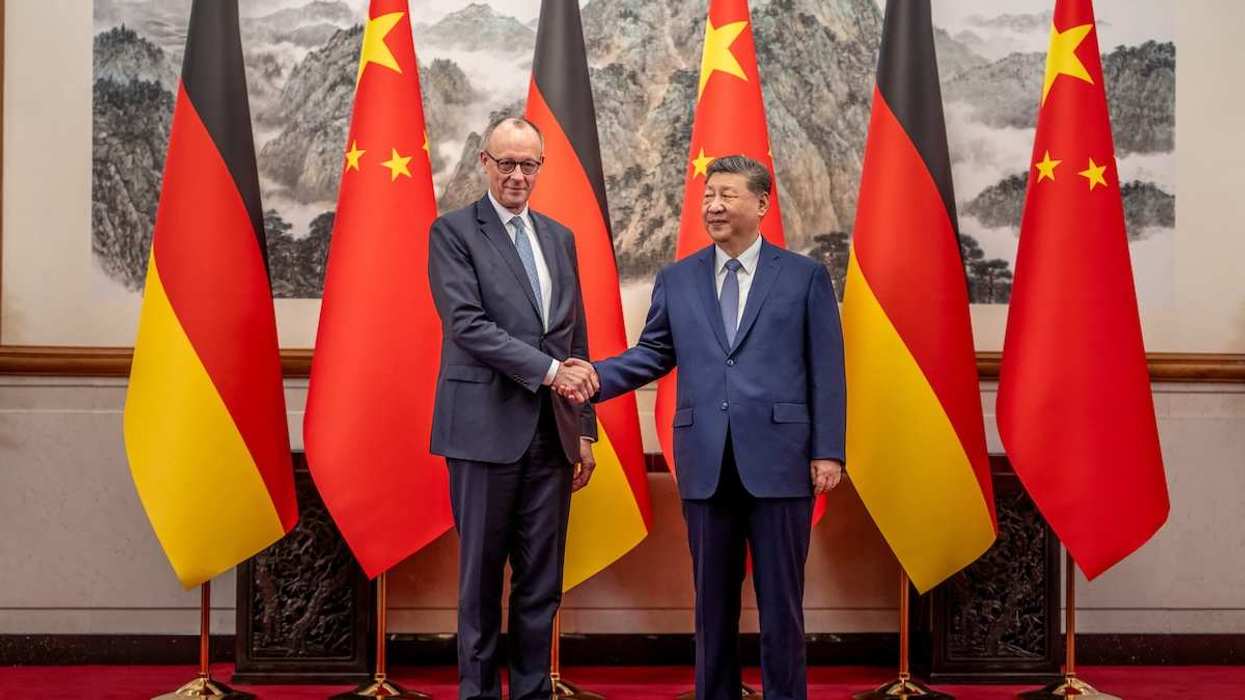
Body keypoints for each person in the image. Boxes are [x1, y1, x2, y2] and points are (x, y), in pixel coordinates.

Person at [564, 155, 846, 700]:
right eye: (708, 195)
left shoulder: (804, 276)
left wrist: (828, 450)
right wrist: (592, 377)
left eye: (727, 195)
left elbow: (827, 371)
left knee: (782, 603)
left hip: (782, 461)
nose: (713, 206)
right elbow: (652, 354)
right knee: (711, 601)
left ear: (762, 204)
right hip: (706, 463)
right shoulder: (679, 278)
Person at [428, 115, 600, 700]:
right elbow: (467, 326)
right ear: (485, 163)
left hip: (553, 437)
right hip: (482, 434)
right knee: (479, 583)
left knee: (541, 582)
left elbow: (575, 336)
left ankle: (531, 692)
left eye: (530, 165)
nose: (518, 175)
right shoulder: (452, 233)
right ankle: (477, 693)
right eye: (507, 163)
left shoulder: (559, 237)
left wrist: (585, 430)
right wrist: (553, 374)